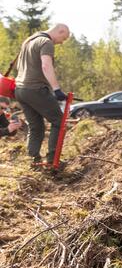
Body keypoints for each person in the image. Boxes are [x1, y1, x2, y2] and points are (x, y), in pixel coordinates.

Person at [14, 24, 71, 167]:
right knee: (59, 121)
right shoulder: (46, 42)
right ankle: (53, 159)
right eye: (63, 38)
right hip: (35, 89)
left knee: (36, 126)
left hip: (20, 89)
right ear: (60, 31)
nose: (61, 42)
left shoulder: (28, 41)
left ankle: (33, 159)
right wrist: (56, 89)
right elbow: (46, 65)